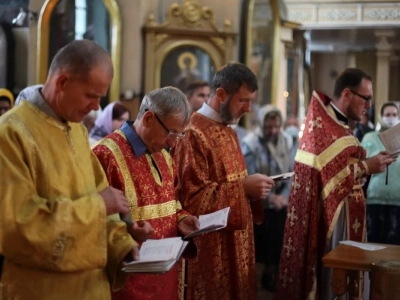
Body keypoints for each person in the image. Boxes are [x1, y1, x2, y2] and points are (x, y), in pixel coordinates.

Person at [0, 39, 138, 299]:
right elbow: (17, 227)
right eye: (91, 95)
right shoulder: (11, 133)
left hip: (92, 288)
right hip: (42, 290)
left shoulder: (77, 130)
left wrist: (122, 245)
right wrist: (98, 206)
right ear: (62, 82)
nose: (96, 107)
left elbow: (101, 196)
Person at [274, 68, 395, 300]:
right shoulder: (322, 128)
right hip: (332, 222)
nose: (369, 105)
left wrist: (371, 165)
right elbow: (325, 177)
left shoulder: (340, 126)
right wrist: (366, 166)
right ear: (348, 94)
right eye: (366, 98)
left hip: (350, 218)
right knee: (333, 285)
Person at [171, 62, 275, 300]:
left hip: (239, 241)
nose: (248, 108)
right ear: (221, 94)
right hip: (211, 249)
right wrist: (244, 188)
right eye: (243, 100)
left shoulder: (229, 131)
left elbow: (231, 182)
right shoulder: (192, 134)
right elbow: (191, 199)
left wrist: (253, 189)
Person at [92, 86, 200, 300]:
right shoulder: (105, 155)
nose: (172, 142)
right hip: (129, 284)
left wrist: (182, 218)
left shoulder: (164, 156)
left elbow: (171, 203)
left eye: (179, 135)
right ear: (149, 118)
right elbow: (96, 220)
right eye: (170, 133)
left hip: (166, 279)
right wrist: (129, 233)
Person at [241, 105, 293, 293]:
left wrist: (284, 197)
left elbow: (291, 170)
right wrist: (270, 198)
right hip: (260, 202)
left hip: (280, 202)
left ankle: (272, 276)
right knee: (260, 245)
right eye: (268, 127)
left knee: (278, 243)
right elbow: (249, 175)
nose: (272, 131)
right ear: (261, 125)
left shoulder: (287, 141)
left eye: (276, 126)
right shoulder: (250, 143)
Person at [362, 101, 400, 245]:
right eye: (387, 114)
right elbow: (363, 162)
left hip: (398, 199)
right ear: (381, 116)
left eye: (394, 115)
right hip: (374, 198)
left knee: (395, 246)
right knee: (373, 242)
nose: (391, 117)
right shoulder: (370, 137)